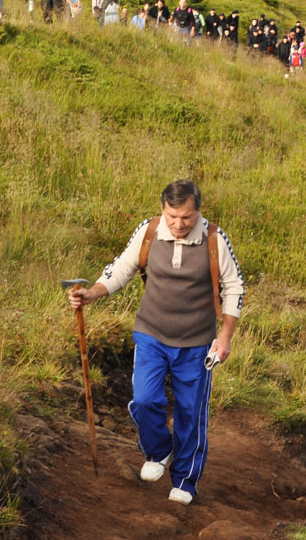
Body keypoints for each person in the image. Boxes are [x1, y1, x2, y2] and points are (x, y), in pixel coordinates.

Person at [67, 180, 244, 506]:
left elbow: (234, 288)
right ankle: (159, 451)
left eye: (186, 218)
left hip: (197, 344)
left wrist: (225, 336)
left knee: (191, 413)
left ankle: (185, 482)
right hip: (151, 334)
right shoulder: (149, 231)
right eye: (172, 216)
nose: (178, 224)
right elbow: (121, 268)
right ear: (163, 210)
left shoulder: (215, 239)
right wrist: (92, 293)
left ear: (198, 212)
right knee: (146, 399)